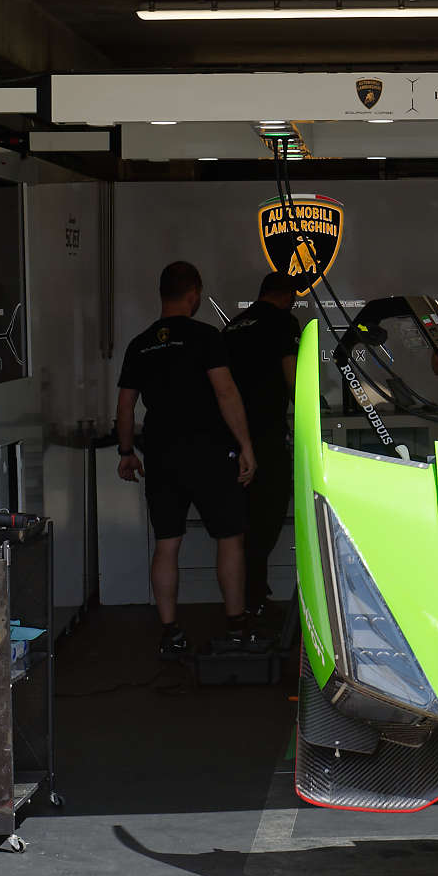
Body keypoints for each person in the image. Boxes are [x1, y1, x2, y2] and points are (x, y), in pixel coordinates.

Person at [116, 262, 258, 658]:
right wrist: (246, 445)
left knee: (166, 543)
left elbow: (125, 407)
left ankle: (170, 633)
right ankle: (235, 627)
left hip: (161, 453)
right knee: (229, 538)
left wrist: (127, 452)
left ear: (162, 294)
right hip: (210, 451)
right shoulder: (206, 336)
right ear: (194, 293)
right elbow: (226, 393)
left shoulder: (140, 344)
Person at [222, 272, 299, 622]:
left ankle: (246, 600)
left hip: (231, 436)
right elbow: (293, 378)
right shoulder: (283, 321)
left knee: (240, 521)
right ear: (289, 297)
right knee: (268, 516)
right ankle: (254, 596)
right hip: (267, 435)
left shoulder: (233, 325)